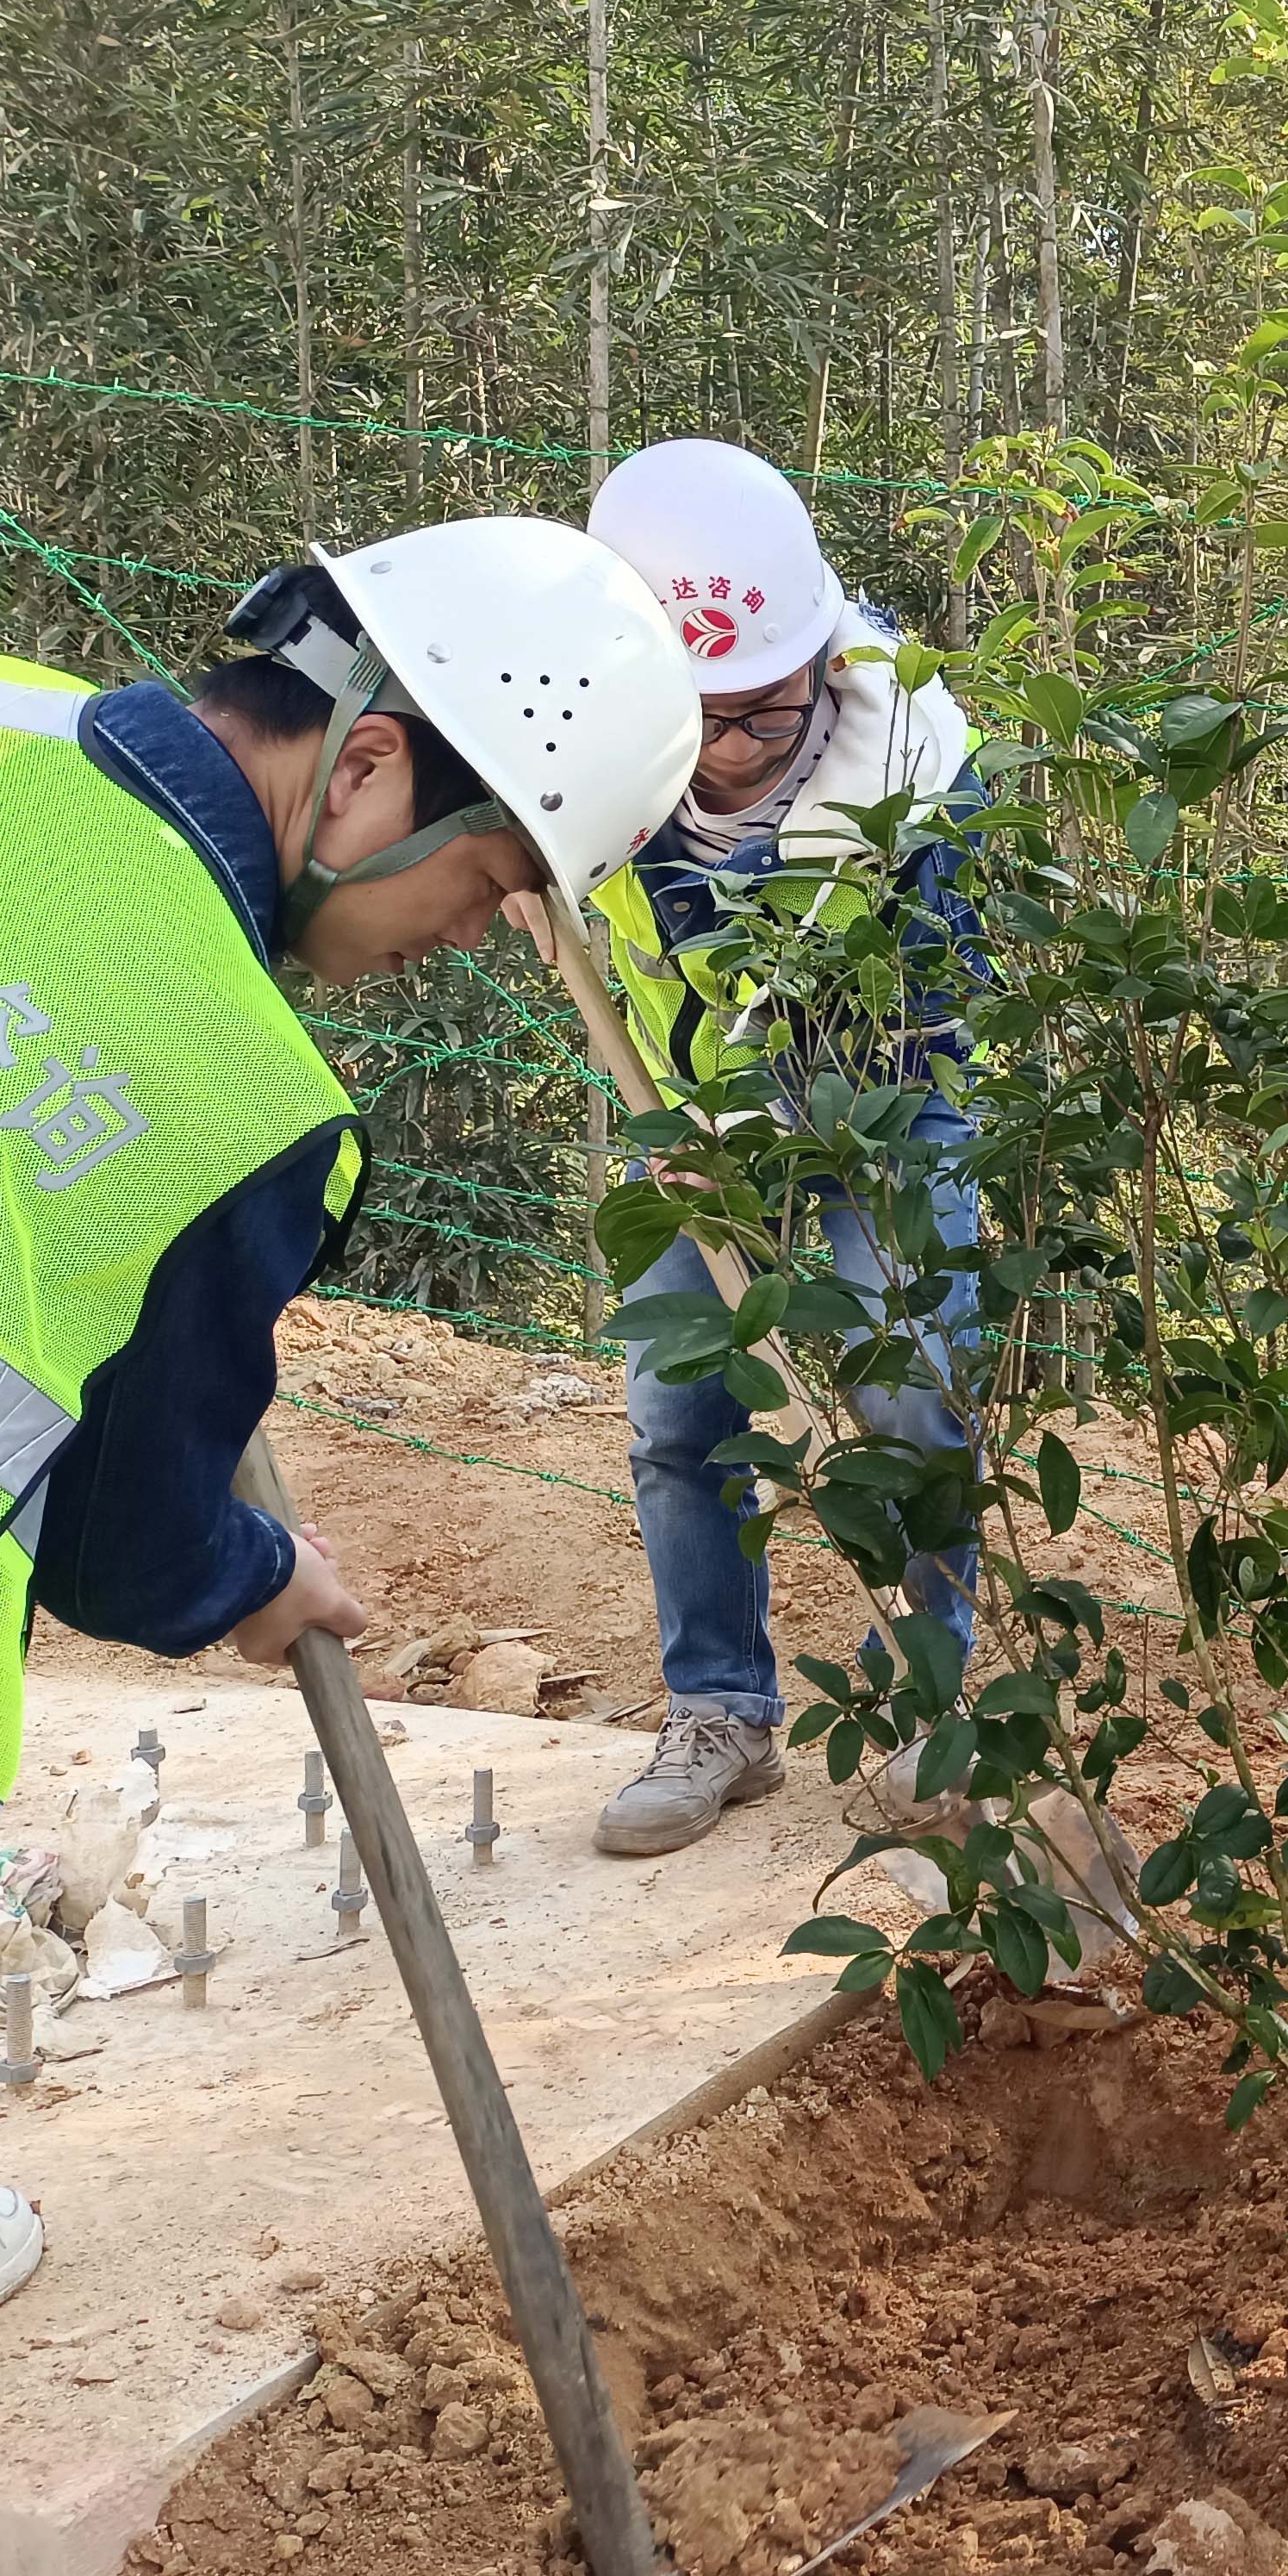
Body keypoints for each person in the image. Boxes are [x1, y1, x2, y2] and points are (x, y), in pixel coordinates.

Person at [0, 524, 694, 2576]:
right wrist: (246, 1573)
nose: (461, 942)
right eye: (486, 885)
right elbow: (123, 1542)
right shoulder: (241, 1097)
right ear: (368, 766)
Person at [576, 440, 986, 1858]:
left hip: (887, 1097)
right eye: (703, 723)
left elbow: (933, 999)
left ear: (818, 656)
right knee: (678, 1406)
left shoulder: (919, 764)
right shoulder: (581, 746)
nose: (737, 751)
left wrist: (771, 1115)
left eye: (766, 714)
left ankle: (929, 1699)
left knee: (910, 1381)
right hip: (689, 1110)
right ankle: (720, 1714)